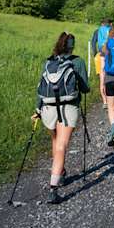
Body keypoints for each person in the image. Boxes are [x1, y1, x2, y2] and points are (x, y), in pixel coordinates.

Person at [32, 32, 89, 204]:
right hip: (68, 108)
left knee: (55, 141)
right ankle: (53, 188)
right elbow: (85, 88)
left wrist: (38, 110)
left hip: (48, 108)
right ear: (72, 45)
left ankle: (61, 172)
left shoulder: (49, 62)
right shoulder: (77, 61)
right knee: (62, 145)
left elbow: (41, 88)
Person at [90, 19, 112, 108]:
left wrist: (95, 53)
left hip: (100, 54)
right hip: (110, 54)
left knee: (101, 78)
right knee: (110, 76)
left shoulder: (97, 31)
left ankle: (105, 101)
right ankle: (111, 99)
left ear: (102, 24)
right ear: (109, 24)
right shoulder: (111, 30)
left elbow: (93, 43)